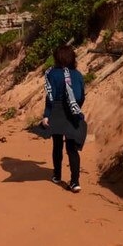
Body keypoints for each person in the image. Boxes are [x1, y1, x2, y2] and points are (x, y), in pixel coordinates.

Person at [42, 45, 86, 193]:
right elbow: (81, 96)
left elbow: (50, 97)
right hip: (72, 113)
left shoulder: (52, 74)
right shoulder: (78, 74)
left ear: (57, 58)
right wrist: (75, 108)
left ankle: (57, 175)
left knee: (57, 145)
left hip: (57, 111)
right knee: (72, 149)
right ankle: (75, 182)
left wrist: (46, 115)